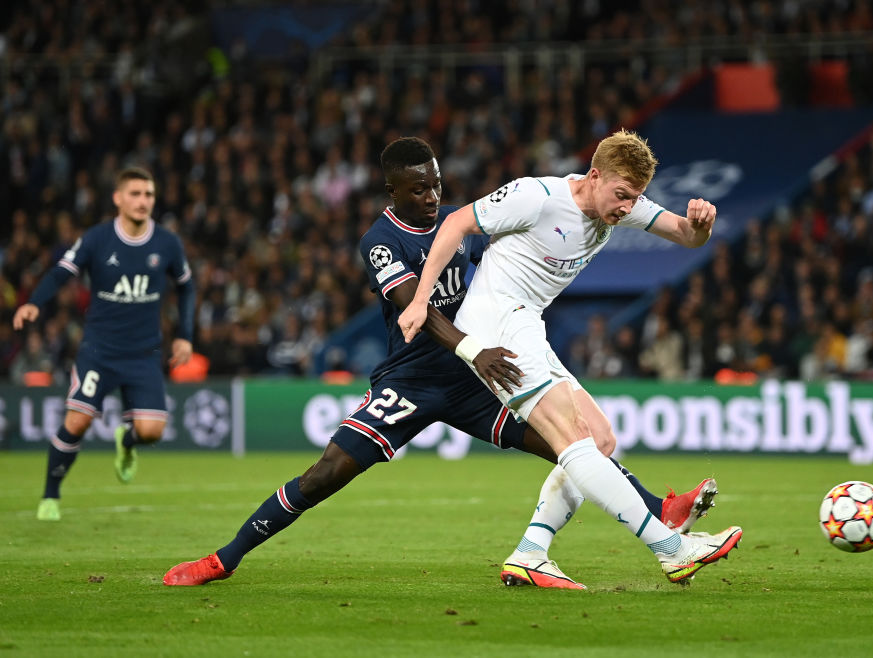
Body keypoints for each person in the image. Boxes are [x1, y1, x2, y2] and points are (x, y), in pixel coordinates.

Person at [163, 137, 716, 588]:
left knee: (577, 445)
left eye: (436, 184)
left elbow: (499, 260)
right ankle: (223, 558)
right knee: (326, 474)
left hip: (477, 372)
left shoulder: (460, 224)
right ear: (393, 189)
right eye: (419, 187)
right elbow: (415, 311)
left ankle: (624, 521)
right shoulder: (381, 240)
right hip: (416, 376)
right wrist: (475, 347)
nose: (431, 196)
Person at [398, 129, 742, 586]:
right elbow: (458, 222)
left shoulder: (623, 204)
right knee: (574, 439)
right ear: (594, 176)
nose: (626, 207)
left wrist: (700, 226)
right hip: (496, 321)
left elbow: (684, 234)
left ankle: (530, 552)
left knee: (599, 440)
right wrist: (421, 300)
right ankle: (671, 548)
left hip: (526, 322)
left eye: (634, 198)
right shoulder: (535, 196)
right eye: (621, 195)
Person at [13, 166, 195, 521]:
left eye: (149, 195)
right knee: (77, 421)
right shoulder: (97, 239)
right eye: (136, 194)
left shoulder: (167, 243)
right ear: (118, 198)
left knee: (151, 431)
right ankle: (50, 495)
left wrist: (185, 335)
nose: (143, 201)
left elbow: (187, 286)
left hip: (144, 354)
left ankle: (126, 442)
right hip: (100, 350)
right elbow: (61, 272)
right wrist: (35, 301)